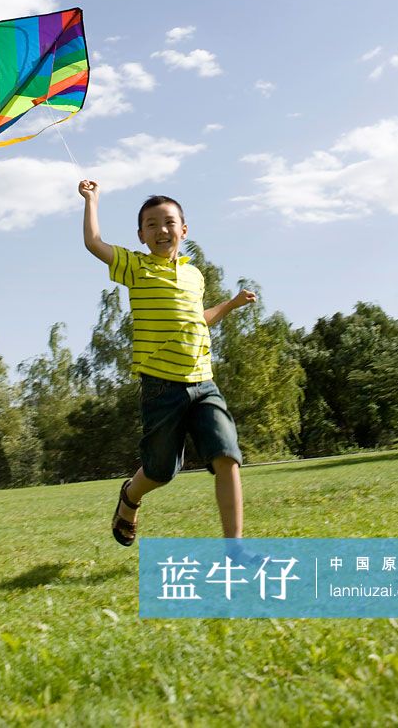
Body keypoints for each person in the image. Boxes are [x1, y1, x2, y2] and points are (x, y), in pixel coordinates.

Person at [78, 179, 256, 546]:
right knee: (161, 471)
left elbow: (198, 318)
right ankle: (130, 495)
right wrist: (91, 200)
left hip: (204, 382)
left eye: (169, 222)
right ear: (141, 235)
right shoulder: (136, 267)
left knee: (227, 456)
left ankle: (235, 551)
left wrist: (231, 305)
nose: (162, 229)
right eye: (152, 224)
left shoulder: (194, 275)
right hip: (162, 387)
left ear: (184, 230)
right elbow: (94, 243)